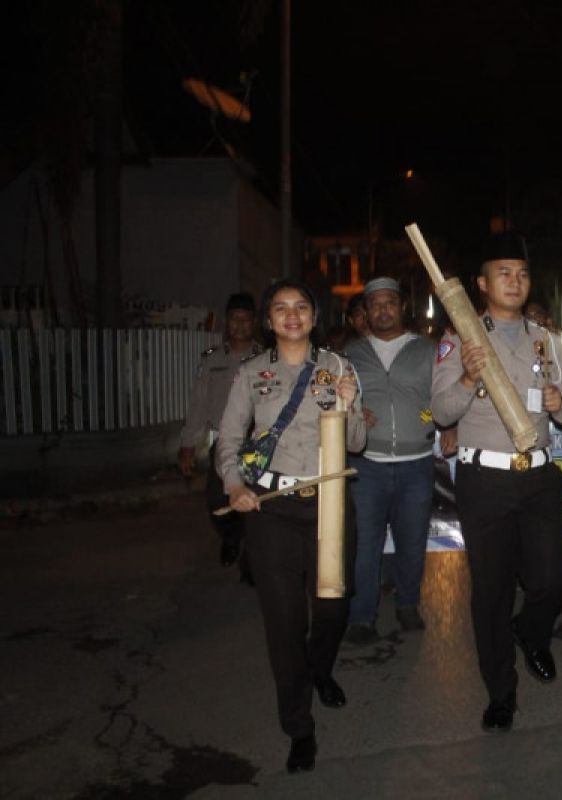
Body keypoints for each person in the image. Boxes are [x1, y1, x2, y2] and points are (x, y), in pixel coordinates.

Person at [431, 231, 562, 733]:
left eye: (521, 273)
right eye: (503, 273)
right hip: (484, 480)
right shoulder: (460, 339)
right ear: (481, 283)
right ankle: (501, 693)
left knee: (553, 578)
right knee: (491, 591)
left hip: (537, 475)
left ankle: (531, 631)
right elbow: (442, 411)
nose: (514, 281)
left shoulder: (547, 339)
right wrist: (469, 379)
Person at [216, 279, 366, 773]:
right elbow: (230, 439)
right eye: (280, 308)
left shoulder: (339, 367)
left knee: (333, 607)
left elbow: (359, 440)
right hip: (272, 508)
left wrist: (347, 405)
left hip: (329, 500)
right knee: (284, 623)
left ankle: (318, 667)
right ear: (269, 321)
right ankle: (299, 726)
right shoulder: (250, 374)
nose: (292, 315)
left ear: (315, 315)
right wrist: (235, 486)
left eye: (301, 306)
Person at [344, 277, 437, 644]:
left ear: (402, 307)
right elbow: (331, 399)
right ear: (365, 311)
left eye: (390, 303)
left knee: (412, 541)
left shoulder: (428, 349)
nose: (383, 310)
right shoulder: (349, 353)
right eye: (375, 304)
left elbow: (442, 395)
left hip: (418, 463)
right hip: (366, 464)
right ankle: (361, 615)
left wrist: (441, 423)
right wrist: (352, 410)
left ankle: (408, 604)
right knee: (365, 544)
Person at [178, 292, 261, 578]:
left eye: (245, 320)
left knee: (254, 501)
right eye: (234, 319)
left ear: (254, 323)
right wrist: (188, 445)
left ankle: (250, 559)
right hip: (221, 441)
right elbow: (198, 404)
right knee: (216, 499)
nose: (240, 325)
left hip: (254, 441)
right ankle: (230, 535)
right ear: (227, 322)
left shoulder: (265, 359)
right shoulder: (212, 360)